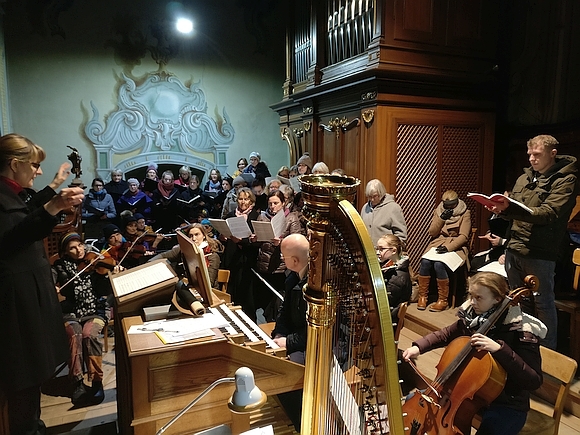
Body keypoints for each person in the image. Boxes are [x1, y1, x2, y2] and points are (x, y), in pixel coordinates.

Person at [0, 133, 85, 435]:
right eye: (34, 165)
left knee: (32, 374)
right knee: (24, 376)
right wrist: (53, 206)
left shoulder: (11, 193)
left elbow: (24, 211)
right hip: (16, 302)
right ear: (15, 164)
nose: (38, 172)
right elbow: (13, 236)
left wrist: (54, 190)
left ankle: (34, 425)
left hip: (27, 294)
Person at [402, 272, 545, 435]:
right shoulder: (471, 318)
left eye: (479, 298)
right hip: (467, 397)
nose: (472, 302)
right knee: (412, 401)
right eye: (471, 295)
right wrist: (418, 347)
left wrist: (500, 350)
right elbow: (446, 334)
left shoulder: (521, 330)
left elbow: (533, 380)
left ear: (497, 299)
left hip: (507, 403)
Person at [488, 134, 578, 349]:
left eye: (537, 154)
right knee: (519, 300)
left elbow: (548, 213)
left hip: (539, 251)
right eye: (529, 154)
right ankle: (525, 346)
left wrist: (510, 210)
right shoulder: (524, 177)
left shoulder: (566, 179)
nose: (531, 159)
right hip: (515, 246)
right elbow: (514, 209)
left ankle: (547, 352)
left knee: (542, 302)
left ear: (552, 153)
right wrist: (501, 210)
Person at [52, 233, 110, 407]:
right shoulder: (59, 266)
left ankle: (97, 381)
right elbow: (49, 283)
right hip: (70, 312)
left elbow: (104, 291)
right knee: (74, 334)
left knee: (89, 335)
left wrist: (106, 276)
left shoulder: (95, 262)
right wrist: (52, 288)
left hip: (95, 311)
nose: (79, 250)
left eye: (80, 245)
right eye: (72, 248)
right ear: (65, 252)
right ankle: (77, 382)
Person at [271, 233, 310, 432]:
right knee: (271, 362)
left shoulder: (316, 283)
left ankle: (302, 425)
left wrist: (289, 342)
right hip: (298, 337)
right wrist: (279, 334)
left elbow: (315, 329)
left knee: (287, 373)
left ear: (294, 260)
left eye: (283, 256)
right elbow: (284, 312)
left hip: (319, 343)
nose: (281, 259)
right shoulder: (293, 276)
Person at [255, 190, 305, 321]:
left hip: (282, 265)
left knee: (278, 302)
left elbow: (296, 240)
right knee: (264, 302)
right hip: (265, 264)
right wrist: (254, 239)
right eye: (270, 203)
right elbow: (259, 243)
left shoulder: (291, 218)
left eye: (276, 203)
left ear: (283, 203)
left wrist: (281, 242)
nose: (272, 206)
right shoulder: (262, 217)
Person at [418, 190, 471, 312]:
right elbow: (432, 232)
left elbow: (464, 236)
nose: (450, 208)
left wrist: (449, 248)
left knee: (439, 264)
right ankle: (422, 297)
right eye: (447, 206)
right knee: (425, 261)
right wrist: (441, 219)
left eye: (452, 205)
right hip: (439, 243)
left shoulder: (465, 212)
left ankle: (443, 300)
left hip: (456, 246)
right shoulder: (439, 211)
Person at [220, 187, 261, 319]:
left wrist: (242, 241)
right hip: (232, 257)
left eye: (246, 199)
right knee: (231, 292)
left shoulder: (255, 216)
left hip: (247, 259)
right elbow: (224, 234)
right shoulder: (231, 215)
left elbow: (257, 242)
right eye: (240, 199)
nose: (243, 202)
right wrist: (223, 237)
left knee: (247, 297)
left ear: (251, 201)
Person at [150, 223, 223, 287]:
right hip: (188, 286)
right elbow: (163, 256)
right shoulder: (183, 249)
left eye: (197, 235)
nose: (193, 239)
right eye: (190, 236)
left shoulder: (212, 256)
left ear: (204, 236)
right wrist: (149, 264)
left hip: (210, 291)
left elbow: (208, 283)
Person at [360, 178, 408, 246]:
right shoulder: (365, 208)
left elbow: (401, 235)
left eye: (375, 196)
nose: (372, 199)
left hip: (387, 251)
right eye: (369, 197)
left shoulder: (393, 208)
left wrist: (392, 248)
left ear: (381, 193)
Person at [376, 234, 412, 311]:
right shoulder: (389, 265)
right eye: (377, 249)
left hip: (389, 314)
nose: (377, 252)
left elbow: (385, 302)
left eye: (381, 249)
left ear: (393, 251)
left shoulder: (396, 277)